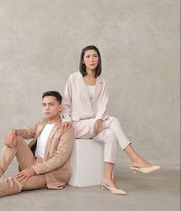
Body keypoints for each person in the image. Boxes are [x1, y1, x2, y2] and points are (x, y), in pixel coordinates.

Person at [61, 45, 160, 195]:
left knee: (111, 135)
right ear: (82, 60)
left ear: (99, 59)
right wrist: (66, 120)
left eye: (95, 56)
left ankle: (107, 178)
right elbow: (66, 103)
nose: (91, 59)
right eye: (88, 56)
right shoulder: (73, 78)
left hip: (95, 126)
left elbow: (103, 105)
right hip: (77, 125)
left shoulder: (103, 83)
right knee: (113, 121)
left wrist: (99, 119)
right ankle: (135, 158)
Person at [0, 91, 74, 202]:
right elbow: (28, 131)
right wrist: (13, 131)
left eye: (51, 104)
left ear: (60, 107)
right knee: (16, 138)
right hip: (34, 162)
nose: (47, 108)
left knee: (16, 180)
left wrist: (33, 170)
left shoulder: (65, 128)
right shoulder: (43, 123)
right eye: (44, 105)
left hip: (50, 174)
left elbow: (59, 159)